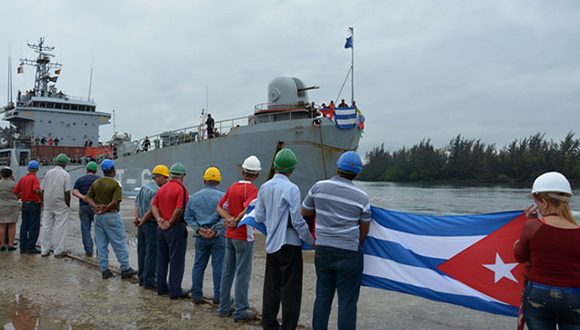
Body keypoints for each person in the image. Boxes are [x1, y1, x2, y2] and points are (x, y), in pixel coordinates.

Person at [302, 151, 371, 330]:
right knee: (347, 303)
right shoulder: (362, 197)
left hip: (323, 250)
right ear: (357, 174)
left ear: (338, 167)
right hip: (349, 253)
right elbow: (365, 228)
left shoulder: (318, 187)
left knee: (323, 298)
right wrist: (357, 243)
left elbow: (305, 211)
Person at [254, 148, 315, 329]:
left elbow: (258, 216)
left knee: (271, 289)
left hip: (272, 245)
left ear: (274, 166)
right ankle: (288, 326)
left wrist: (272, 223)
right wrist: (311, 240)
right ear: (292, 169)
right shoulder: (292, 188)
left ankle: (269, 324)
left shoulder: (264, 187)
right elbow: (297, 220)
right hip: (290, 245)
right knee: (291, 291)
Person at [514, 171, 580, 329]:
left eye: (537, 202)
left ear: (544, 202)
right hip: (574, 296)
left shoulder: (532, 226)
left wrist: (528, 224)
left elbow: (520, 256)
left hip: (538, 293)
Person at [216, 155, 261, 321]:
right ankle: (241, 310)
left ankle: (223, 307)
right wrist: (236, 220)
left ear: (242, 171)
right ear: (257, 175)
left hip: (229, 235)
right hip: (244, 235)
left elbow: (219, 207)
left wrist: (228, 219)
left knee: (227, 272)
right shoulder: (253, 190)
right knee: (243, 273)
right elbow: (249, 208)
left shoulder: (233, 187)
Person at [86, 159, 137, 279]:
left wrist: (96, 207)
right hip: (111, 216)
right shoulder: (116, 184)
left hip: (98, 217)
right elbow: (115, 202)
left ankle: (104, 269)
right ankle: (125, 268)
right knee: (119, 242)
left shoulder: (96, 182)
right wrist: (105, 209)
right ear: (113, 170)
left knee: (101, 244)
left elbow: (87, 197)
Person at [185, 166, 226, 305]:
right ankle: (218, 297)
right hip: (218, 237)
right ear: (219, 181)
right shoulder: (223, 197)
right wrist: (215, 230)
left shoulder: (195, 197)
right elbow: (226, 217)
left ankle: (196, 295)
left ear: (204, 180)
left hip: (201, 237)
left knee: (198, 266)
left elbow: (188, 216)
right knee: (219, 267)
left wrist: (199, 229)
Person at [151, 162, 190, 299]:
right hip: (175, 228)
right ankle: (175, 291)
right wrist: (170, 222)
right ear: (182, 176)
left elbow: (153, 206)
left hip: (160, 230)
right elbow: (179, 209)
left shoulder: (162, 189)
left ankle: (161, 288)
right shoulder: (181, 189)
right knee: (176, 261)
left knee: (161, 259)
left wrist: (159, 220)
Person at [134, 164, 169, 289]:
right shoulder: (157, 191)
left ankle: (141, 277)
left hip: (141, 223)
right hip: (150, 223)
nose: (167, 181)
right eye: (166, 178)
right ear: (160, 177)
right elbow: (151, 210)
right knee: (151, 253)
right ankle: (149, 280)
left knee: (141, 251)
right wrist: (143, 221)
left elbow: (136, 202)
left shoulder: (144, 187)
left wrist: (136, 218)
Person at [40, 153, 73, 257]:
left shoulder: (48, 173)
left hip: (48, 203)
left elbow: (42, 189)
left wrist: (43, 201)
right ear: (65, 163)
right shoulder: (65, 174)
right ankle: (58, 251)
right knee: (60, 226)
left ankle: (44, 250)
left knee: (46, 226)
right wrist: (68, 205)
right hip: (60, 203)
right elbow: (67, 192)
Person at [13, 161, 42, 254]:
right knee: (34, 226)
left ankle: (22, 247)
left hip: (24, 204)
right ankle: (30, 247)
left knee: (24, 226)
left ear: (28, 169)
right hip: (34, 205)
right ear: (37, 169)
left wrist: (23, 196)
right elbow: (36, 190)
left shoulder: (22, 179)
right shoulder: (35, 179)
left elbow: (15, 192)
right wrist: (42, 199)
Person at [72, 161, 100, 257]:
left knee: (85, 229)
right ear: (96, 170)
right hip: (96, 207)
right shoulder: (99, 180)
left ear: (86, 169)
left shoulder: (80, 180)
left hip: (83, 207)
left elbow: (74, 191)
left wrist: (83, 197)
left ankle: (88, 250)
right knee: (98, 229)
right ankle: (100, 250)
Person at [0, 167, 19, 252]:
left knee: (1, 225)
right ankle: (11, 244)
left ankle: (2, 244)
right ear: (10, 175)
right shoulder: (14, 184)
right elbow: (19, 194)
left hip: (1, 205)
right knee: (12, 225)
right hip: (13, 205)